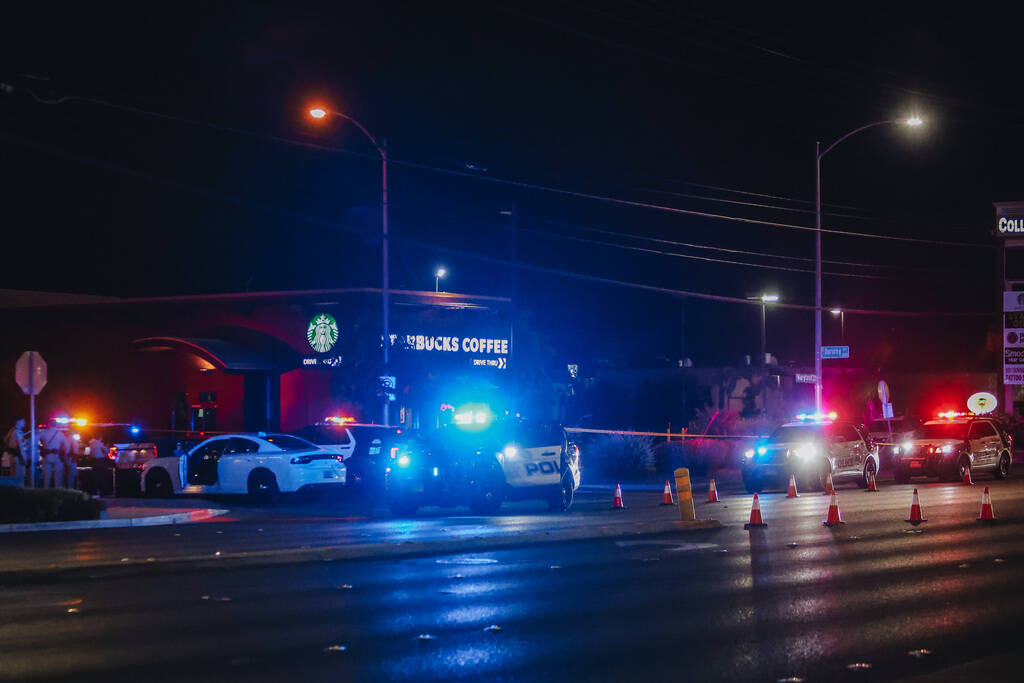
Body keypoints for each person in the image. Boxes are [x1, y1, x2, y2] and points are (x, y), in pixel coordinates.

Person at [38, 422, 72, 488]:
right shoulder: (60, 434)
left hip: (47, 456)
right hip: (57, 457)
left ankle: (46, 492)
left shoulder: (44, 432)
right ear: (56, 425)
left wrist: (41, 448)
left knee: (47, 477)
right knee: (58, 478)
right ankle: (57, 493)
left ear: (49, 425)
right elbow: (67, 445)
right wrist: (65, 454)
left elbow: (36, 441)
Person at [3, 418, 28, 484]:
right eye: (23, 421)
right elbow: (19, 446)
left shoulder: (11, 431)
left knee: (13, 477)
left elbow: (6, 442)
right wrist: (21, 458)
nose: (24, 423)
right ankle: (19, 493)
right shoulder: (18, 432)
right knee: (19, 479)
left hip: (13, 456)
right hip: (18, 458)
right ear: (18, 422)